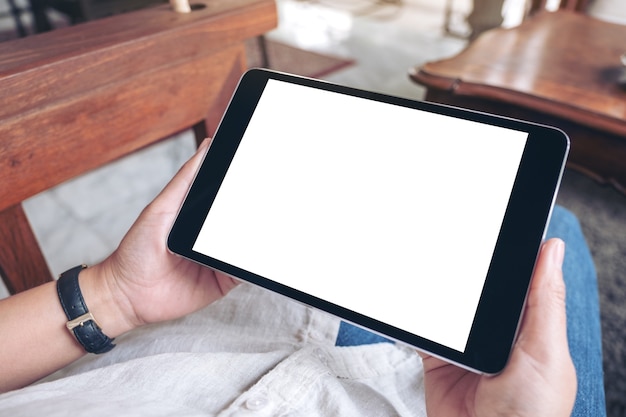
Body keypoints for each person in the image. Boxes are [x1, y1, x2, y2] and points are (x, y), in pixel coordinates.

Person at [0, 139, 606, 416]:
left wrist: (114, 294)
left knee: (535, 227)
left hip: (177, 349)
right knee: (553, 228)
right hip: (398, 394)